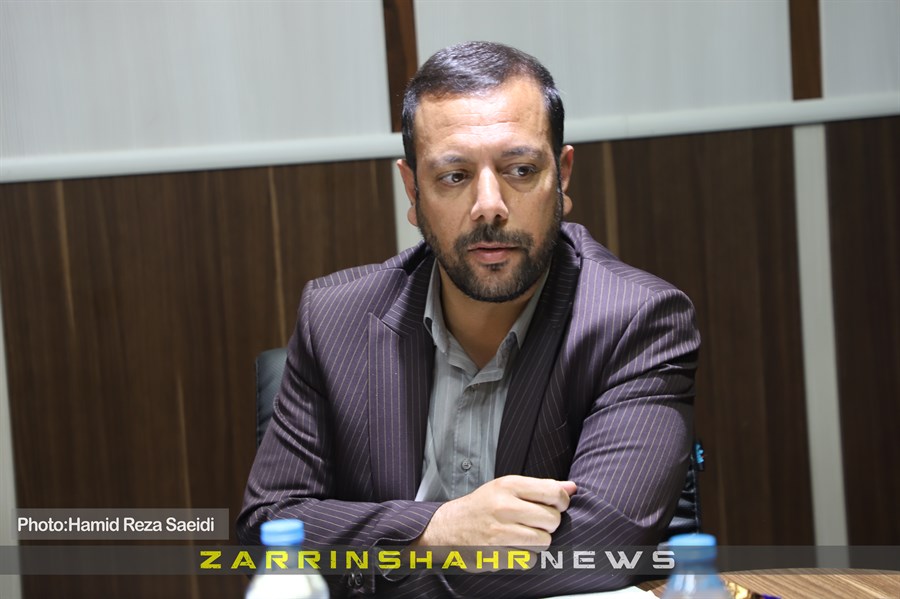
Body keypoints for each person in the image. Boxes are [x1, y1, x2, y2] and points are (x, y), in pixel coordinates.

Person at [237, 41, 700, 597]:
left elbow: (604, 542)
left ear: (562, 176)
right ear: (413, 190)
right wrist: (437, 529)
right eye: (454, 176)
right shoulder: (336, 318)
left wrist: (397, 558)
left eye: (521, 169)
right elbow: (270, 527)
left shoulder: (637, 320)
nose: (489, 205)